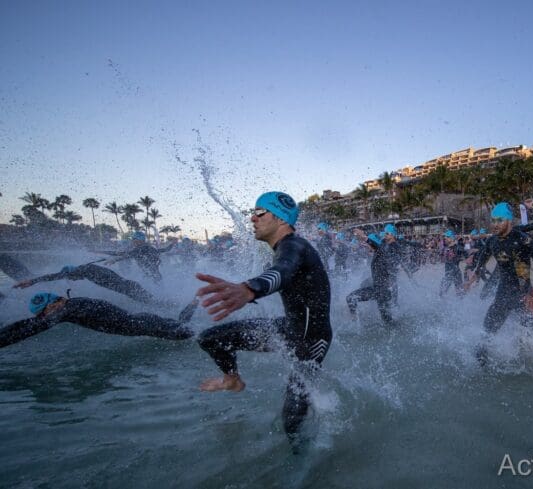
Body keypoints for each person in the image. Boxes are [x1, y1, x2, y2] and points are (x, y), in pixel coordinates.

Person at [194, 191, 332, 448]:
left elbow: (280, 272)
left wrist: (249, 289)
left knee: (291, 420)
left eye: (259, 213)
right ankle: (232, 380)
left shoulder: (295, 246)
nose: (252, 219)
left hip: (311, 340)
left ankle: (305, 462)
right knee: (211, 338)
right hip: (286, 329)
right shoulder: (284, 248)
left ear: (280, 219)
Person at [465, 202, 533, 366]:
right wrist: (471, 280)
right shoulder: (492, 241)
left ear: (509, 220)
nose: (495, 224)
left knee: (531, 343)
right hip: (503, 295)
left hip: (524, 296)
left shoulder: (522, 239)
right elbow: (481, 262)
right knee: (486, 334)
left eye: (499, 220)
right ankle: (480, 370)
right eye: (493, 220)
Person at [0, 292, 197, 349]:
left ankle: (197, 303)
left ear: (53, 303)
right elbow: (30, 324)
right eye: (42, 315)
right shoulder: (74, 305)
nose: (45, 317)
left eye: (45, 312)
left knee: (191, 336)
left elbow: (32, 327)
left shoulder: (69, 309)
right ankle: (195, 302)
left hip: (146, 325)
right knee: (185, 328)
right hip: (145, 321)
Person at [13, 263, 159, 304]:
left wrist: (32, 281)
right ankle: (173, 305)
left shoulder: (86, 270)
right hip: (131, 287)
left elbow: (56, 276)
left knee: (154, 303)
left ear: (72, 272)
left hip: (130, 289)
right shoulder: (91, 268)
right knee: (155, 302)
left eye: (72, 277)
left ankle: (175, 307)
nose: (75, 280)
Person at [347, 227, 400, 325]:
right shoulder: (379, 254)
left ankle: (354, 324)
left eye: (368, 245)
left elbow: (378, 247)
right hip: (380, 290)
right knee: (387, 321)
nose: (366, 247)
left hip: (381, 291)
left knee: (351, 298)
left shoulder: (381, 251)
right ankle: (356, 321)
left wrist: (364, 237)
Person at [439, 230, 467, 297]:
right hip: (448, 273)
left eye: (447, 237)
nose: (445, 238)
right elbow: (442, 257)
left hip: (456, 272)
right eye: (445, 237)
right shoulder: (446, 247)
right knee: (441, 293)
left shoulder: (458, 247)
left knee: (460, 294)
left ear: (452, 238)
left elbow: (467, 255)